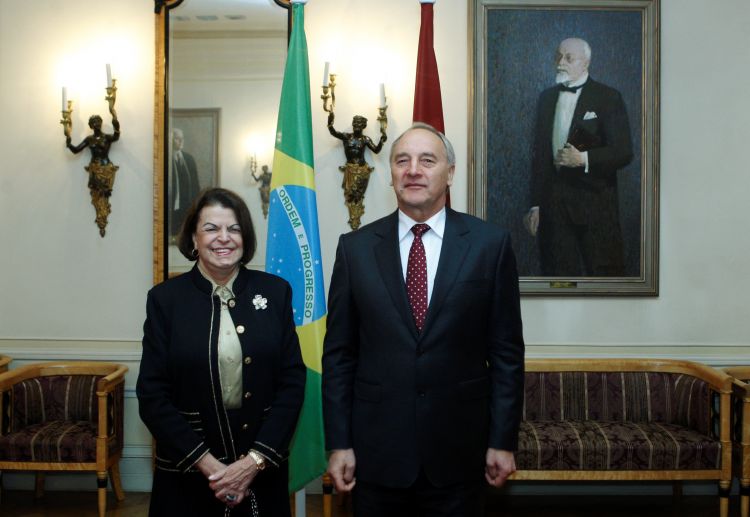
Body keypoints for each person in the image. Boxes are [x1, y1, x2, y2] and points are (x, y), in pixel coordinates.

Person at [322, 123, 525, 516]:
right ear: (391, 174)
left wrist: (502, 440)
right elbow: (340, 356)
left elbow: (506, 355)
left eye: (427, 160)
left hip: (460, 451)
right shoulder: (355, 249)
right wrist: (339, 442)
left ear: (450, 173)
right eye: (402, 161)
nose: (413, 170)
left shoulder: (490, 245)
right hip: (377, 453)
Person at [137, 188, 306, 516]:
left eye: (234, 228)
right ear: (194, 238)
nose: (224, 238)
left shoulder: (275, 292)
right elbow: (152, 394)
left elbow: (292, 382)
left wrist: (253, 462)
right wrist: (211, 467)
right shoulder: (165, 300)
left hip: (261, 470)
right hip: (188, 474)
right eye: (211, 228)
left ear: (245, 237)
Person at [526, 37, 633, 277]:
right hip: (554, 211)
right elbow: (539, 157)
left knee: (604, 280)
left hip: (596, 209)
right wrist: (536, 204)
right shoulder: (546, 99)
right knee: (558, 282)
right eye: (558, 57)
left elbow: (624, 152)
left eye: (568, 58)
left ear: (585, 63)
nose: (560, 63)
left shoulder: (608, 97)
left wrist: (583, 159)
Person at [65, 97, 121, 237]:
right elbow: (76, 150)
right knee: (96, 192)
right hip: (95, 169)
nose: (96, 124)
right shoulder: (89, 139)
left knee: (104, 192)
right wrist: (68, 142)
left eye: (98, 121)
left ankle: (103, 211)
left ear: (101, 123)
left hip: (106, 169)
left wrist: (115, 118)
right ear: (90, 125)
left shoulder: (107, 138)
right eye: (93, 122)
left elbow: (116, 136)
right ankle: (100, 211)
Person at [327, 113, 387, 229]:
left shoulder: (365, 139)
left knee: (358, 194)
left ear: (364, 126)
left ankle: (356, 213)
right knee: (350, 194)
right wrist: (330, 123)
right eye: (354, 123)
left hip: (362, 170)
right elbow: (333, 132)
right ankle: (353, 215)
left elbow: (376, 150)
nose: (356, 125)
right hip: (350, 170)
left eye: (359, 123)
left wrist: (381, 140)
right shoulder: (347, 137)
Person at [170, 128, 201, 236]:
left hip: (187, 206)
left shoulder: (189, 159)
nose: (181, 141)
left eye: (182, 138)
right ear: (170, 139)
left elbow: (196, 185)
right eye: (177, 138)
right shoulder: (166, 158)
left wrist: (196, 205)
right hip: (172, 207)